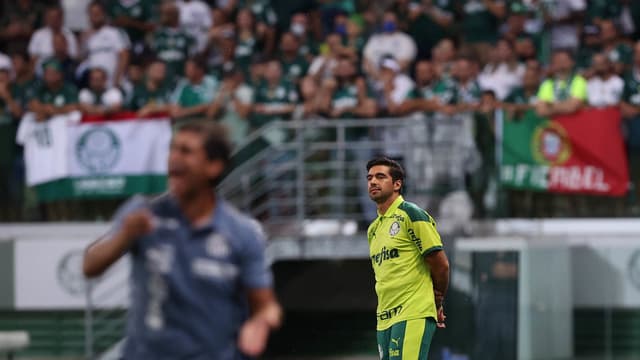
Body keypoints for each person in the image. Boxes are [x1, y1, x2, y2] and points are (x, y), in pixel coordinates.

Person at [82, 122, 282, 359]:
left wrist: (259, 324)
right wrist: (125, 236)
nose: (173, 158)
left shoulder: (241, 233)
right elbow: (90, 265)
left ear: (214, 166)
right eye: (172, 149)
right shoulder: (144, 213)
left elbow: (267, 306)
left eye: (186, 151)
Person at [366, 157, 449, 360]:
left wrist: (437, 301)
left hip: (412, 312)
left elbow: (441, 264)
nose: (373, 182)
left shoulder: (411, 214)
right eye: (369, 178)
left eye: (380, 176)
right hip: (384, 318)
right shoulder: (373, 229)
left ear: (397, 184)